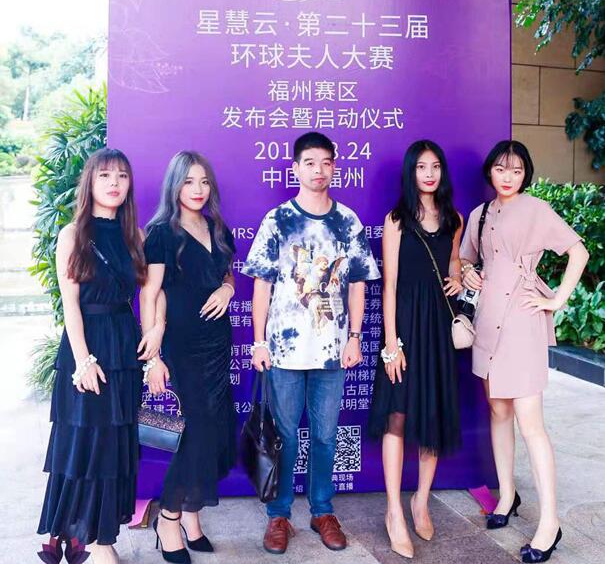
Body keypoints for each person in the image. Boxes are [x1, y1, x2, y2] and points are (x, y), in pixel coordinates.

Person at [242, 132, 380, 555]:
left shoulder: (347, 222)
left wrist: (354, 337)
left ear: (334, 166)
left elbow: (357, 285)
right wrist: (258, 342)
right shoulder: (278, 220)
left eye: (325, 162)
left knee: (325, 435)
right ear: (296, 168)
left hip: (332, 350)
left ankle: (322, 510)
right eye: (309, 162)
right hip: (284, 352)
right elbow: (261, 285)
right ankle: (278, 515)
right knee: (283, 435)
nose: (318, 170)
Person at [460, 140, 588, 564]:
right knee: (498, 411)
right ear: (490, 171)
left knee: (531, 423)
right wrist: (469, 273)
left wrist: (556, 300)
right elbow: (466, 261)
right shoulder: (479, 215)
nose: (508, 177)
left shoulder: (536, 210)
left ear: (525, 174)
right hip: (487, 322)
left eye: (516, 170)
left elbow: (578, 251)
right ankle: (507, 495)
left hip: (522, 320)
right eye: (501, 169)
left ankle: (549, 522)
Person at [37, 148, 165, 564]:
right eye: (105, 175)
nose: (114, 183)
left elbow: (152, 292)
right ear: (90, 182)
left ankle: (104, 537)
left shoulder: (135, 236)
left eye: (122, 176)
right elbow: (70, 303)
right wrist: (83, 360)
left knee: (115, 444)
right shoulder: (72, 234)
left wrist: (157, 331)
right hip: (86, 345)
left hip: (124, 347)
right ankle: (80, 536)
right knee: (84, 440)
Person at [140, 151, 237, 564]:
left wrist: (228, 289)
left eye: (204, 182)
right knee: (194, 434)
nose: (198, 190)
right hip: (183, 346)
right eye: (188, 182)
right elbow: (150, 293)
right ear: (174, 185)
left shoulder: (217, 227)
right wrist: (153, 357)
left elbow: (227, 272)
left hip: (218, 343)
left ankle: (193, 516)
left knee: (215, 434)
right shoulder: (162, 232)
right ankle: (168, 519)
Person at [368, 140, 463, 559]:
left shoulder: (454, 219)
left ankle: (421, 500)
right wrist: (391, 343)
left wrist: (459, 276)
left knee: (432, 412)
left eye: (435, 166)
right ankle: (394, 510)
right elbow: (389, 285)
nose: (429, 174)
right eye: (422, 167)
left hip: (438, 328)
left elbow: (454, 262)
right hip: (405, 327)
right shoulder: (396, 220)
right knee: (398, 415)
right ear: (411, 172)